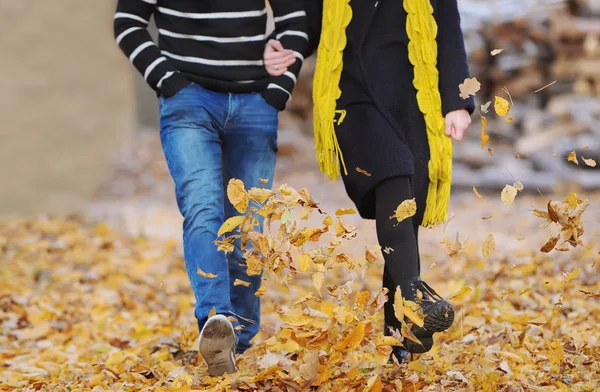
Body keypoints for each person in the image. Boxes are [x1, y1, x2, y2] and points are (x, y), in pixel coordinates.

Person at [264, 0, 474, 362]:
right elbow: (311, 25)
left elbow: (449, 33)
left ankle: (399, 337)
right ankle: (416, 302)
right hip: (351, 99)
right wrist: (285, 47)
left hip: (415, 101)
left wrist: (457, 102)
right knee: (392, 177)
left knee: (404, 212)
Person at [113, 0, 308, 376]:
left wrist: (279, 90)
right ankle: (216, 322)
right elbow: (127, 23)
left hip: (255, 104)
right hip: (189, 103)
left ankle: (241, 342)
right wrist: (169, 82)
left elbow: (294, 21)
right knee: (203, 208)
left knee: (249, 226)